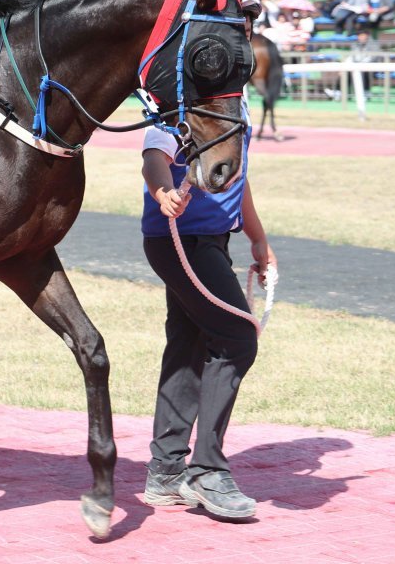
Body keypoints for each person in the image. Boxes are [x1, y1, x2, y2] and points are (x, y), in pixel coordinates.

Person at [139, 101, 275, 520]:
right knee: (236, 339)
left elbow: (237, 173)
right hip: (182, 239)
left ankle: (165, 471)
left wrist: (257, 238)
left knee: (188, 350)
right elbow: (153, 158)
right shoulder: (183, 98)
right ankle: (207, 471)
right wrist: (163, 193)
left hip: (211, 239)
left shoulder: (236, 102)